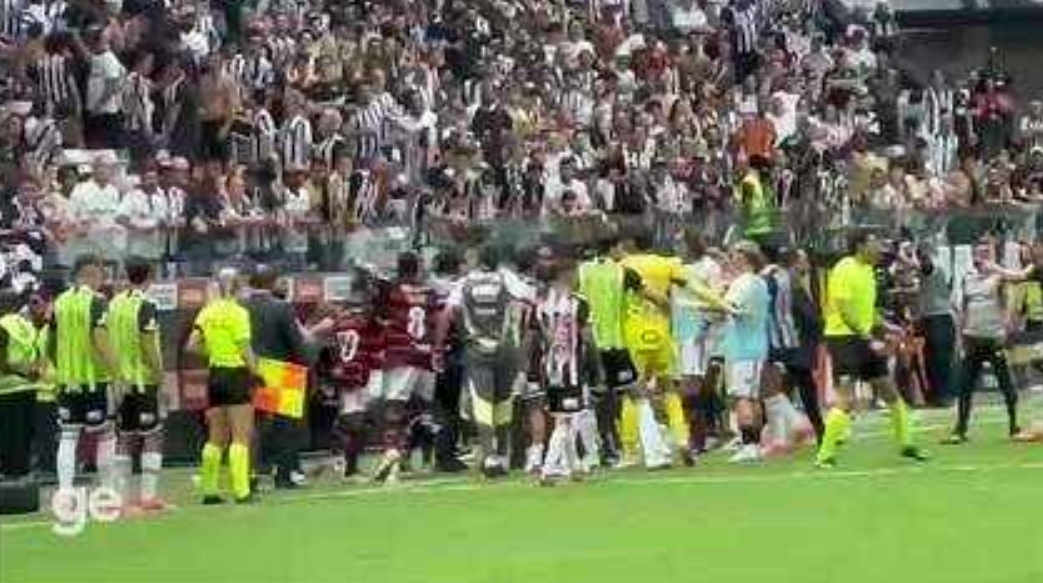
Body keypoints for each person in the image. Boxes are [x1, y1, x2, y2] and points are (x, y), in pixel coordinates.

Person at [816, 231, 928, 468]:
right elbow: (845, 311)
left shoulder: (868, 271)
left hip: (863, 337)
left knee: (890, 392)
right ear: (860, 245)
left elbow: (868, 309)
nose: (879, 248)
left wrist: (888, 326)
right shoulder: (844, 269)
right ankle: (825, 455)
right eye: (875, 242)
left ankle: (907, 444)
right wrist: (869, 339)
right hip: (844, 339)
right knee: (846, 399)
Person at [438, 245, 533, 478]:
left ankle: (489, 456)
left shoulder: (465, 282)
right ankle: (502, 454)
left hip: (477, 347)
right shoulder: (507, 278)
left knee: (482, 403)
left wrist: (439, 346)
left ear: (479, 260)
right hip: (505, 347)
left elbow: (447, 314)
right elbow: (529, 301)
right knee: (503, 403)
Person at [943, 240, 1025, 444]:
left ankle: (1014, 425)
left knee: (1006, 383)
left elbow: (1008, 304)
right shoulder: (968, 278)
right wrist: (961, 333)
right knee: (965, 385)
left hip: (993, 338)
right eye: (978, 254)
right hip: (973, 338)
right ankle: (960, 429)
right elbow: (964, 306)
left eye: (986, 254)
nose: (981, 258)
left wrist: (1005, 329)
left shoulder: (999, 278)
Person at [188, 268, 258, 504]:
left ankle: (209, 491)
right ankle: (242, 491)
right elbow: (244, 347)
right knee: (241, 436)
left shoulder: (206, 311)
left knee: (216, 437)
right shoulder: (239, 313)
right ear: (238, 287)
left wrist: (213, 352)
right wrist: (256, 371)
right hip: (236, 374)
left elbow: (192, 345)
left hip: (215, 375)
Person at [51, 254, 118, 494]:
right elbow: (101, 339)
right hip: (94, 379)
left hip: (67, 381)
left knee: (69, 437)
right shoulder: (98, 301)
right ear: (88, 274)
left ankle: (65, 492)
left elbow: (51, 339)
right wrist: (118, 374)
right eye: (100, 274)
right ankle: (107, 491)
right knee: (106, 435)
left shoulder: (59, 302)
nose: (102, 279)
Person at [372, 251, 439, 482]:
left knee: (393, 404)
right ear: (417, 268)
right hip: (426, 353)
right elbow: (435, 319)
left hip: (402, 352)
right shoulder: (429, 292)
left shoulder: (392, 289)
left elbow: (378, 313)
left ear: (398, 268)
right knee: (421, 408)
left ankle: (392, 452)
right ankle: (415, 456)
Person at [243, 264, 311, 490]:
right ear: (272, 282)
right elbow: (296, 343)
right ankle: (283, 476)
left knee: (251, 427)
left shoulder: (239, 306)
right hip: (280, 370)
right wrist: (305, 366)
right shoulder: (282, 308)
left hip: (248, 369)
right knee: (286, 427)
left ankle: (248, 476)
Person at [107, 257, 167, 512]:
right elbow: (147, 344)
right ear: (150, 276)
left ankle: (119, 500)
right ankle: (147, 497)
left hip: (122, 379)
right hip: (144, 380)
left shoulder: (114, 303)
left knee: (125, 436)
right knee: (152, 435)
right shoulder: (147, 304)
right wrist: (161, 376)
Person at [578, 235, 642, 468]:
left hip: (589, 344)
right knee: (632, 396)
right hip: (614, 344)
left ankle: (597, 451)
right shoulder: (622, 272)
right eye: (620, 248)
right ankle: (642, 449)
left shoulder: (583, 271)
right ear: (613, 248)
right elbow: (645, 295)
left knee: (595, 399)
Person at [534, 256, 595, 484]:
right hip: (571, 369)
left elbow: (546, 337)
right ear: (566, 275)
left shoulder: (541, 304)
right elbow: (585, 338)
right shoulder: (579, 303)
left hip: (550, 368)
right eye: (576, 273)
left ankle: (574, 467)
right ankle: (548, 469)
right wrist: (595, 367)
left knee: (566, 415)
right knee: (565, 421)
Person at [324, 269, 383, 480]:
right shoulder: (367, 313)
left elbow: (332, 343)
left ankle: (347, 462)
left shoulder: (341, 314)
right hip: (360, 371)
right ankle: (347, 465)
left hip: (350, 370)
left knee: (362, 420)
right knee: (359, 423)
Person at [721, 241, 772, 463]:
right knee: (752, 397)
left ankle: (750, 445)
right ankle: (757, 444)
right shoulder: (760, 282)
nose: (731, 259)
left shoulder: (743, 282)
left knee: (742, 397)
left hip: (744, 348)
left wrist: (703, 302)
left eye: (735, 255)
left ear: (744, 258)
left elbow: (730, 306)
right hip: (757, 345)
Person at [0, 291, 43, 479]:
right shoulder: (28, 325)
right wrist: (33, 373)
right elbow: (40, 352)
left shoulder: (2, 325)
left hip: (6, 387)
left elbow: (2, 361)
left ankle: (10, 476)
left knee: (8, 435)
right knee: (23, 435)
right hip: (30, 387)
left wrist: (19, 372)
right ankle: (22, 473)